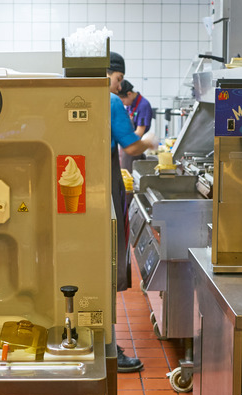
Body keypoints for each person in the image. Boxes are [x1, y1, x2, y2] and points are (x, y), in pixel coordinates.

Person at [107, 51, 157, 372]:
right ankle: (109, 349)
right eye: (117, 77)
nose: (119, 83)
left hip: (78, 195)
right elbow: (131, 146)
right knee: (107, 266)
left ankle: (99, 343)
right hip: (106, 198)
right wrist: (151, 141)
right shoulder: (110, 102)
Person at [117, 80, 153, 173]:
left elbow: (139, 133)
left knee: (131, 175)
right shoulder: (130, 104)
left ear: (129, 94)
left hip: (134, 147)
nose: (123, 104)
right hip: (127, 145)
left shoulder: (143, 105)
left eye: (123, 101)